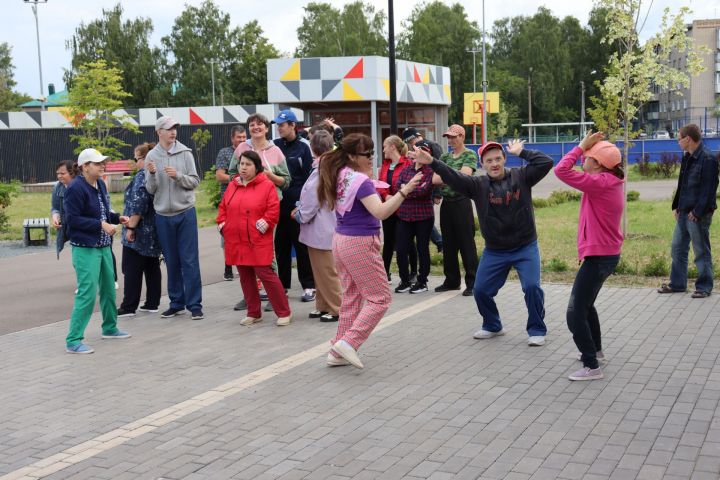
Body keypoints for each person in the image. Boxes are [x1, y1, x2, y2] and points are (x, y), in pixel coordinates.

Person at [411, 137, 553, 346]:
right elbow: (452, 176)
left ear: (504, 159)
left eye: (498, 158)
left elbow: (546, 162)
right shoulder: (477, 185)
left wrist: (522, 152)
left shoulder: (522, 176)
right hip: (496, 250)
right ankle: (493, 325)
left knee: (532, 287)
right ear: (482, 164)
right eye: (489, 160)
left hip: (525, 246)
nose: (494, 164)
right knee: (481, 290)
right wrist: (432, 161)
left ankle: (537, 329)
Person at [317, 133, 422, 369]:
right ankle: (349, 342)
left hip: (341, 241)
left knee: (352, 297)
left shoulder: (340, 174)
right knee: (380, 298)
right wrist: (404, 191)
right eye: (368, 154)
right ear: (352, 156)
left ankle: (337, 351)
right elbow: (381, 212)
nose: (372, 157)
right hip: (359, 242)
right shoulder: (359, 181)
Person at [554, 132, 625, 381]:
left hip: (600, 257)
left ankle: (591, 365)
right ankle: (596, 351)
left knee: (574, 313)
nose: (583, 157)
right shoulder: (607, 180)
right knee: (586, 305)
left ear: (598, 163)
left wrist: (579, 146)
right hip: (604, 255)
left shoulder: (600, 182)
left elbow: (561, 170)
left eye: (587, 156)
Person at [63, 148, 131, 354]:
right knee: (88, 292)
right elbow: (72, 220)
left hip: (103, 247)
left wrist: (116, 218)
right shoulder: (75, 188)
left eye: (103, 162)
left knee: (109, 289)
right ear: (84, 167)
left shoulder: (99, 183)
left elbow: (103, 211)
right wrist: (101, 225)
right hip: (85, 249)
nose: (103, 166)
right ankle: (73, 340)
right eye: (98, 163)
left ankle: (109, 328)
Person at [218, 150, 291, 326]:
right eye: (241, 163)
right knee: (244, 275)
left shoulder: (266, 185)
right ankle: (253, 312)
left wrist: (266, 222)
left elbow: (273, 209)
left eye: (248, 164)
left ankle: (284, 312)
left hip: (257, 238)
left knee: (265, 273)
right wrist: (222, 224)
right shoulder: (233, 185)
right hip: (236, 238)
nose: (243, 167)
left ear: (256, 167)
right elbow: (223, 208)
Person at [228, 113, 290, 313]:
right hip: (243, 208)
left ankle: (274, 297)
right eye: (252, 125)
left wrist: (268, 175)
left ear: (266, 128)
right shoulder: (241, 149)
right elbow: (232, 175)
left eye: (259, 124)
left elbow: (286, 181)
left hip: (268, 208)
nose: (256, 127)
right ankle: (250, 297)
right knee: (245, 253)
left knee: (267, 251)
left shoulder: (275, 151)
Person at [145, 116, 204, 320]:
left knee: (189, 260)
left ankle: (195, 305)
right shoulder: (151, 156)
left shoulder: (185, 153)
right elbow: (150, 189)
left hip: (185, 212)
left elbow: (195, 181)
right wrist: (152, 174)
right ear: (159, 131)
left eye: (175, 129)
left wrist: (178, 176)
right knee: (171, 261)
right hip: (163, 215)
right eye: (169, 129)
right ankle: (176, 303)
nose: (173, 132)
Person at [658, 123, 719, 298]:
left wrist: (698, 213)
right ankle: (677, 284)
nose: (677, 142)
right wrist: (677, 206)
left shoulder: (708, 159)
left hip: (697, 215)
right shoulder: (687, 156)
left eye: (679, 139)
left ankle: (704, 287)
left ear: (688, 139)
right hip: (684, 212)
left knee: (700, 251)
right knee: (677, 248)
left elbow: (709, 189)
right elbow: (682, 185)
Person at [293, 130, 342, 322]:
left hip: (322, 228)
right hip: (322, 227)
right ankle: (323, 305)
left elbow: (313, 198)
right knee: (319, 271)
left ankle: (337, 307)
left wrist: (299, 214)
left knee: (327, 272)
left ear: (313, 148)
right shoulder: (328, 165)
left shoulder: (323, 168)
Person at [272, 109, 316, 302]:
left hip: (297, 205)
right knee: (281, 247)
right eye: (278, 125)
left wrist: (303, 205)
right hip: (278, 205)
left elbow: (309, 178)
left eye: (282, 125)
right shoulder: (274, 146)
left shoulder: (304, 147)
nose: (279, 128)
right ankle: (283, 286)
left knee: (301, 247)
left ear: (293, 125)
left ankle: (309, 286)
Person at [432, 125, 479, 296]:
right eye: (448, 138)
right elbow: (435, 179)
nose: (450, 141)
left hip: (462, 202)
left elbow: (465, 176)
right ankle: (452, 280)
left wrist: (447, 176)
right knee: (449, 244)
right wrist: (453, 175)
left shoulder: (470, 155)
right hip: (447, 204)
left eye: (453, 137)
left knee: (467, 244)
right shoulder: (444, 156)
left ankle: (473, 282)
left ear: (462, 136)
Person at [117, 143, 162, 317]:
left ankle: (129, 306)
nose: (136, 163)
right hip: (153, 230)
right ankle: (152, 302)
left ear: (146, 158)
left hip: (139, 230)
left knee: (131, 268)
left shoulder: (141, 176)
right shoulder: (155, 175)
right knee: (151, 266)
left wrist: (131, 227)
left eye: (137, 159)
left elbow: (139, 203)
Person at [393, 140, 436, 294]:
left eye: (424, 152)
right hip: (405, 216)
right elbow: (398, 186)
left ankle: (422, 281)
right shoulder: (406, 170)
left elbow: (422, 192)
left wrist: (407, 188)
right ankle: (405, 280)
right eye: (418, 151)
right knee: (401, 248)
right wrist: (407, 188)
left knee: (422, 248)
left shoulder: (430, 171)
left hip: (423, 216)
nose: (420, 154)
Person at [377, 135, 418, 284]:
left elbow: (408, 185)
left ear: (393, 147)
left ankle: (413, 273)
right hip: (388, 208)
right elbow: (380, 183)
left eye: (384, 146)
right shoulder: (385, 165)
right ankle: (384, 274)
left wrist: (397, 198)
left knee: (407, 242)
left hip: (403, 208)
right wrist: (386, 197)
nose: (383, 150)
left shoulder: (407, 163)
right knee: (388, 241)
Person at [403, 127, 444, 253]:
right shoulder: (415, 148)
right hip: (418, 186)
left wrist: (438, 193)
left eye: (411, 141)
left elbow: (440, 168)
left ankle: (440, 242)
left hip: (430, 187)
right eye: (409, 144)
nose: (411, 145)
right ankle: (439, 242)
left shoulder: (432, 145)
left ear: (415, 137)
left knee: (425, 217)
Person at [215, 125, 247, 281]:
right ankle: (228, 266)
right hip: (229, 200)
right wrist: (236, 179)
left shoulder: (249, 151)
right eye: (238, 137)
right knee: (227, 234)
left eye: (243, 137)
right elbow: (220, 175)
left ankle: (244, 265)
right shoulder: (224, 152)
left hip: (247, 199)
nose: (241, 140)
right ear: (232, 138)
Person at [51, 160, 77, 259]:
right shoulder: (58, 187)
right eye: (58, 173)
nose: (59, 176)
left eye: (63, 173)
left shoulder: (80, 186)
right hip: (68, 226)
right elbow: (55, 207)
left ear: (72, 173)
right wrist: (55, 217)